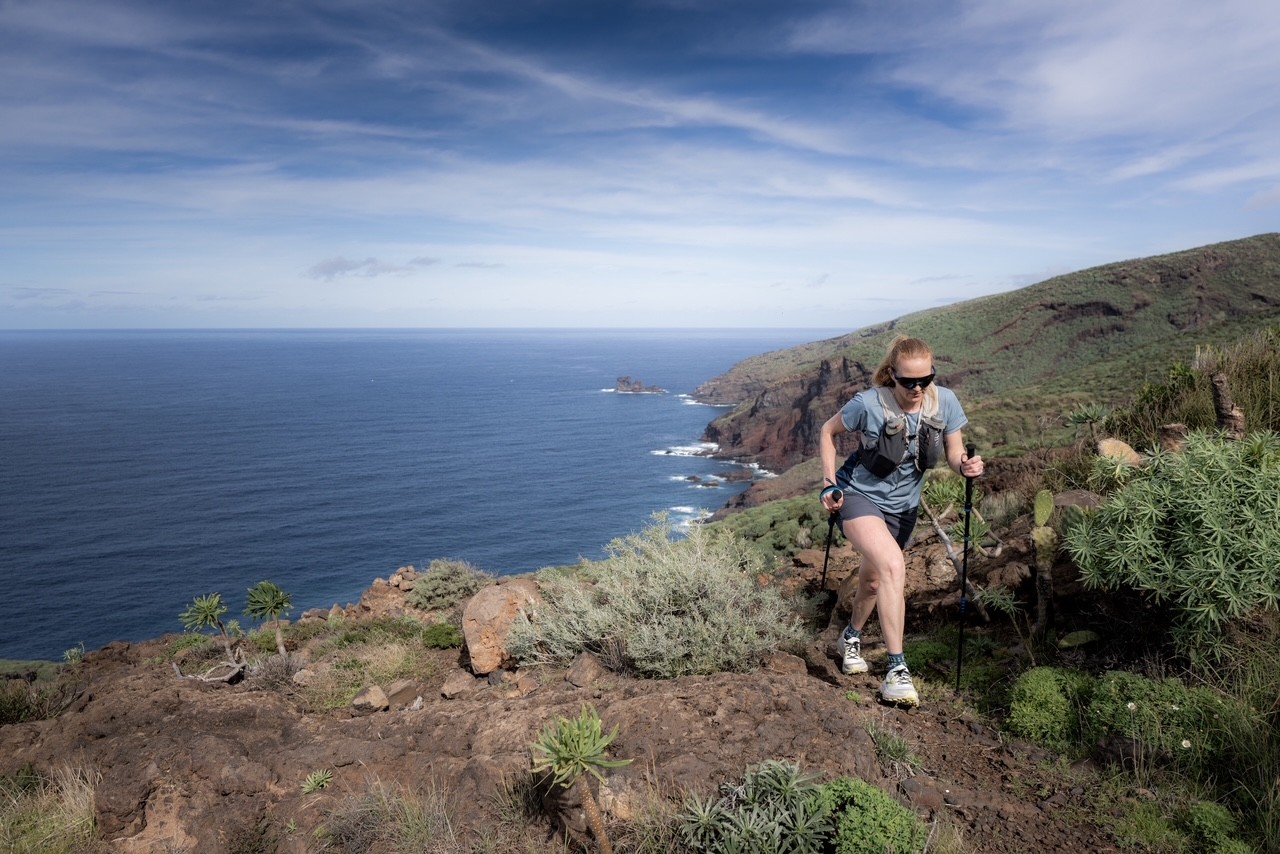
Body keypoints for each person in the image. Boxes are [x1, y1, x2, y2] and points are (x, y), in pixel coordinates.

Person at [818, 336, 983, 706]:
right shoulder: (868, 404)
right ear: (892, 375)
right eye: (909, 382)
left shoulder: (945, 402)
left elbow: (956, 454)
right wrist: (829, 484)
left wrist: (967, 467)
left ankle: (851, 637)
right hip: (858, 496)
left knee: (875, 580)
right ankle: (896, 671)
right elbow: (827, 432)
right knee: (893, 566)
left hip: (903, 508)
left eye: (925, 380)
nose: (918, 388)